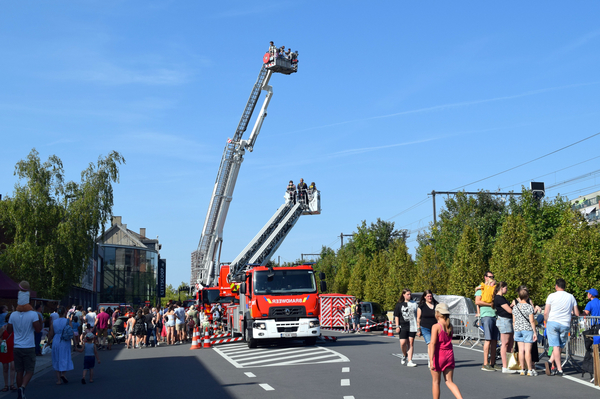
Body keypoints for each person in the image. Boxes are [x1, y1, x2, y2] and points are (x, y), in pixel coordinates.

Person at [7, 281, 42, 399]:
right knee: (30, 370)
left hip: (17, 346)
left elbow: (9, 330)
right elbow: (38, 330)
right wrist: (40, 321)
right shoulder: (32, 315)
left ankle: (20, 393)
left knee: (19, 371)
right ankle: (22, 387)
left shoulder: (13, 315)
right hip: (29, 346)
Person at [544, 278, 579, 376]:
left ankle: (557, 367)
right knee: (560, 345)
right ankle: (555, 364)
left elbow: (546, 312)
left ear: (556, 286)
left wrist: (546, 321)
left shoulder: (551, 296)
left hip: (553, 321)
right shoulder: (571, 297)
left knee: (556, 345)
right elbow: (576, 312)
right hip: (565, 323)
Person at [429, 303, 463, 399]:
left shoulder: (436, 326)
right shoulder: (450, 326)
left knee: (436, 382)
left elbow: (433, 344)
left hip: (439, 355)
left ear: (437, 314)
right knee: (449, 381)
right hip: (449, 355)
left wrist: (431, 360)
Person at [475, 271, 499, 371]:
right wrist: (490, 305)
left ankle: (492, 362)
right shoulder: (481, 289)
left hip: (495, 315)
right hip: (486, 315)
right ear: (485, 277)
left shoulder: (493, 289)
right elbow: (477, 301)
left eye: (493, 277)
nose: (491, 278)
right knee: (488, 339)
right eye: (490, 276)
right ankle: (485, 363)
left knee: (494, 340)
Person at [513, 287, 538, 376]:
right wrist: (534, 332)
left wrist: (514, 330)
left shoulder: (515, 307)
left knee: (521, 350)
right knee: (528, 351)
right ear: (527, 296)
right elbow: (531, 321)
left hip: (518, 329)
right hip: (527, 329)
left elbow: (514, 321)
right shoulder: (529, 307)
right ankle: (530, 369)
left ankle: (522, 369)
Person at [48, 306, 74, 385]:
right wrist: (75, 343)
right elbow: (71, 331)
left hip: (56, 339)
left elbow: (51, 333)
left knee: (57, 358)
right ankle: (63, 374)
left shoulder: (54, 322)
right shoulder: (67, 321)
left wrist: (48, 342)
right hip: (65, 340)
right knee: (65, 357)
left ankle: (58, 379)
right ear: (65, 312)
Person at [493, 282, 514, 374]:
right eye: (506, 288)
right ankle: (505, 366)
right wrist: (513, 306)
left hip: (507, 321)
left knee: (510, 344)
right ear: (501, 288)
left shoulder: (502, 298)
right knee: (505, 343)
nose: (507, 289)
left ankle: (510, 365)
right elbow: (509, 310)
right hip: (504, 321)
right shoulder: (499, 298)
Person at [394, 289, 418, 367]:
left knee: (410, 343)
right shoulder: (399, 305)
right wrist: (397, 326)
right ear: (403, 295)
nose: (409, 296)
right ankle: (404, 355)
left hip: (412, 325)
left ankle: (410, 361)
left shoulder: (414, 304)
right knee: (403, 343)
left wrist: (418, 327)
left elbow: (418, 316)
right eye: (408, 294)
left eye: (410, 294)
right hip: (403, 326)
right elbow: (396, 316)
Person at [417, 290, 439, 359]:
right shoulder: (421, 306)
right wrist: (418, 329)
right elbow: (418, 318)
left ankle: (434, 359)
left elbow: (439, 317)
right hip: (425, 327)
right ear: (425, 297)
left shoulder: (436, 305)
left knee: (435, 344)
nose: (429, 297)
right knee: (430, 344)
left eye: (430, 296)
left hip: (435, 328)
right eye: (428, 296)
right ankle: (431, 360)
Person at [0, 313, 17, 392]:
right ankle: (6, 384)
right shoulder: (3, 328)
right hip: (5, 349)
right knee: (5, 367)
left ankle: (12, 384)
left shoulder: (16, 328)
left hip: (13, 349)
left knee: (13, 366)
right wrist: (2, 342)